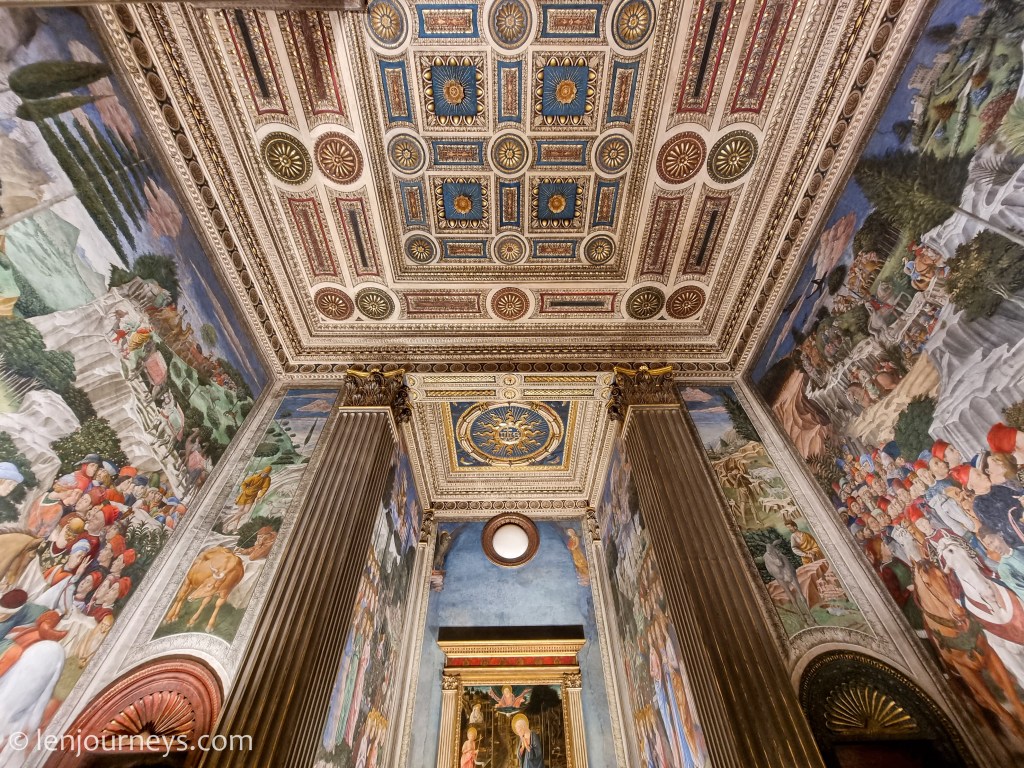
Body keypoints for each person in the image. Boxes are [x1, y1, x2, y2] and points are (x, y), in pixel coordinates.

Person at [223, 467, 272, 533]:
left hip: (252, 496)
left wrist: (259, 496)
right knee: (240, 510)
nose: (265, 475)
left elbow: (265, 488)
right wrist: (245, 490)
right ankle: (234, 527)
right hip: (245, 495)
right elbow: (244, 483)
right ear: (262, 471)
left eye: (267, 474)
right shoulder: (254, 477)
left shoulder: (267, 479)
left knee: (246, 511)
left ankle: (227, 523)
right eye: (264, 473)